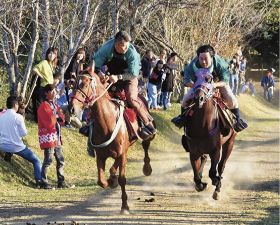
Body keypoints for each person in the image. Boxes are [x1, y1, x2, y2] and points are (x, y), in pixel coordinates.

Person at [171, 44, 248, 132]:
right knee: (185, 100)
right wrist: (199, 86)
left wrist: (213, 85)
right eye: (201, 59)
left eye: (206, 59)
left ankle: (237, 121)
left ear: (212, 57)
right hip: (199, 84)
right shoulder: (192, 65)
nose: (203, 62)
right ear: (198, 57)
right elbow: (186, 81)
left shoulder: (220, 63)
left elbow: (225, 81)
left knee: (232, 100)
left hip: (218, 82)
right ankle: (182, 119)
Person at [93, 30, 156, 135]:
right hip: (111, 74)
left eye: (127, 46)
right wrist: (99, 73)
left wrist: (118, 77)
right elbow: (96, 64)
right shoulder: (106, 48)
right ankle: (90, 124)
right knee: (97, 96)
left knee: (131, 98)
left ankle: (147, 123)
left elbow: (133, 74)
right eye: (124, 46)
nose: (127, 48)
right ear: (117, 44)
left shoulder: (132, 54)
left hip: (129, 77)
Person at [0, 96, 42, 188]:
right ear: (15, 105)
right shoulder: (18, 117)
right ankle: (39, 181)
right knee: (36, 160)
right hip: (16, 146)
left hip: (2, 145)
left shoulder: (1, 116)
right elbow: (24, 133)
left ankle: (7, 156)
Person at [37, 84, 74, 189]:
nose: (54, 93)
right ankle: (44, 182)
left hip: (56, 136)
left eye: (54, 91)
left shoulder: (54, 104)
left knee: (60, 159)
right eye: (52, 91)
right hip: (49, 136)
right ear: (46, 93)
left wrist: (58, 116)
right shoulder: (44, 105)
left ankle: (61, 181)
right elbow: (50, 120)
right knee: (48, 159)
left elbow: (61, 117)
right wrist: (57, 117)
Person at [32, 47, 59, 116]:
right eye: (49, 53)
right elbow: (34, 69)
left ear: (55, 55)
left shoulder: (51, 64)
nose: (51, 55)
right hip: (44, 87)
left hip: (50, 88)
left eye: (53, 54)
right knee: (43, 105)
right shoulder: (44, 62)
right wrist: (41, 76)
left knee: (49, 105)